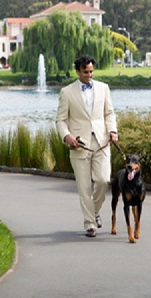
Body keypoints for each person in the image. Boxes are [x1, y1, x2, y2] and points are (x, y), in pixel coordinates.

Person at [56, 55, 118, 238]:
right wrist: (67, 136)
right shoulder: (66, 92)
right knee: (84, 188)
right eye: (85, 72)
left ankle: (94, 210)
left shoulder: (104, 88)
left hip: (101, 142)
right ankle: (90, 224)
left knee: (102, 180)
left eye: (91, 71)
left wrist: (113, 131)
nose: (89, 75)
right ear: (77, 71)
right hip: (79, 145)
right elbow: (60, 120)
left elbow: (109, 114)